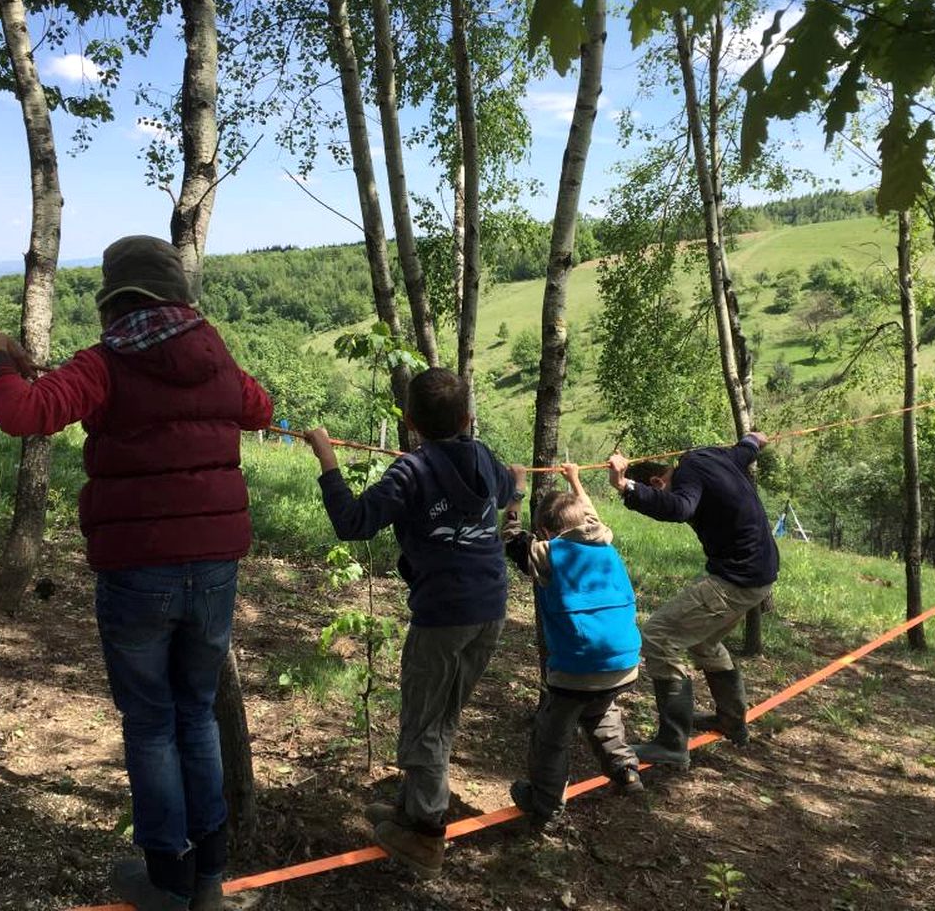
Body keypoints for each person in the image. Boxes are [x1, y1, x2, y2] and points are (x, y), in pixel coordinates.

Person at [0, 235, 275, 911]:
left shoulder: (104, 363)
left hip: (139, 569)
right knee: (195, 712)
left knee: (149, 722)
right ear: (177, 295)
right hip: (215, 567)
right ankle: (209, 880)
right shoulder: (214, 352)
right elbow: (259, 409)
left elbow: (20, 412)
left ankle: (166, 879)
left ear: (115, 299)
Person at [302, 367, 517, 878]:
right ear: (468, 418)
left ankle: (423, 837)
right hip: (491, 609)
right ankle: (411, 808)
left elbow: (352, 523)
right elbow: (510, 487)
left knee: (426, 720)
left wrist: (327, 458)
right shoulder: (486, 458)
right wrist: (515, 491)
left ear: (410, 423)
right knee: (440, 714)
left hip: (445, 614)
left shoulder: (412, 472)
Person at [606, 432, 777, 766]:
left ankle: (672, 745)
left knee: (659, 635)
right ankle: (731, 720)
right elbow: (744, 453)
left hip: (737, 577)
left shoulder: (687, 474)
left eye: (656, 490)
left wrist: (625, 486)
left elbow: (680, 507)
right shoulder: (712, 456)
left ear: (657, 481)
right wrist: (753, 441)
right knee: (705, 642)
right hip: (758, 572)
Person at [502, 462, 643, 829]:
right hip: (624, 663)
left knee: (552, 737)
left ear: (545, 532)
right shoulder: (605, 542)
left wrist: (516, 487)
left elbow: (510, 536)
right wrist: (575, 480)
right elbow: (589, 518)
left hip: (575, 670)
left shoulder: (548, 555)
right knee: (600, 710)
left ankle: (545, 806)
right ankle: (626, 770)